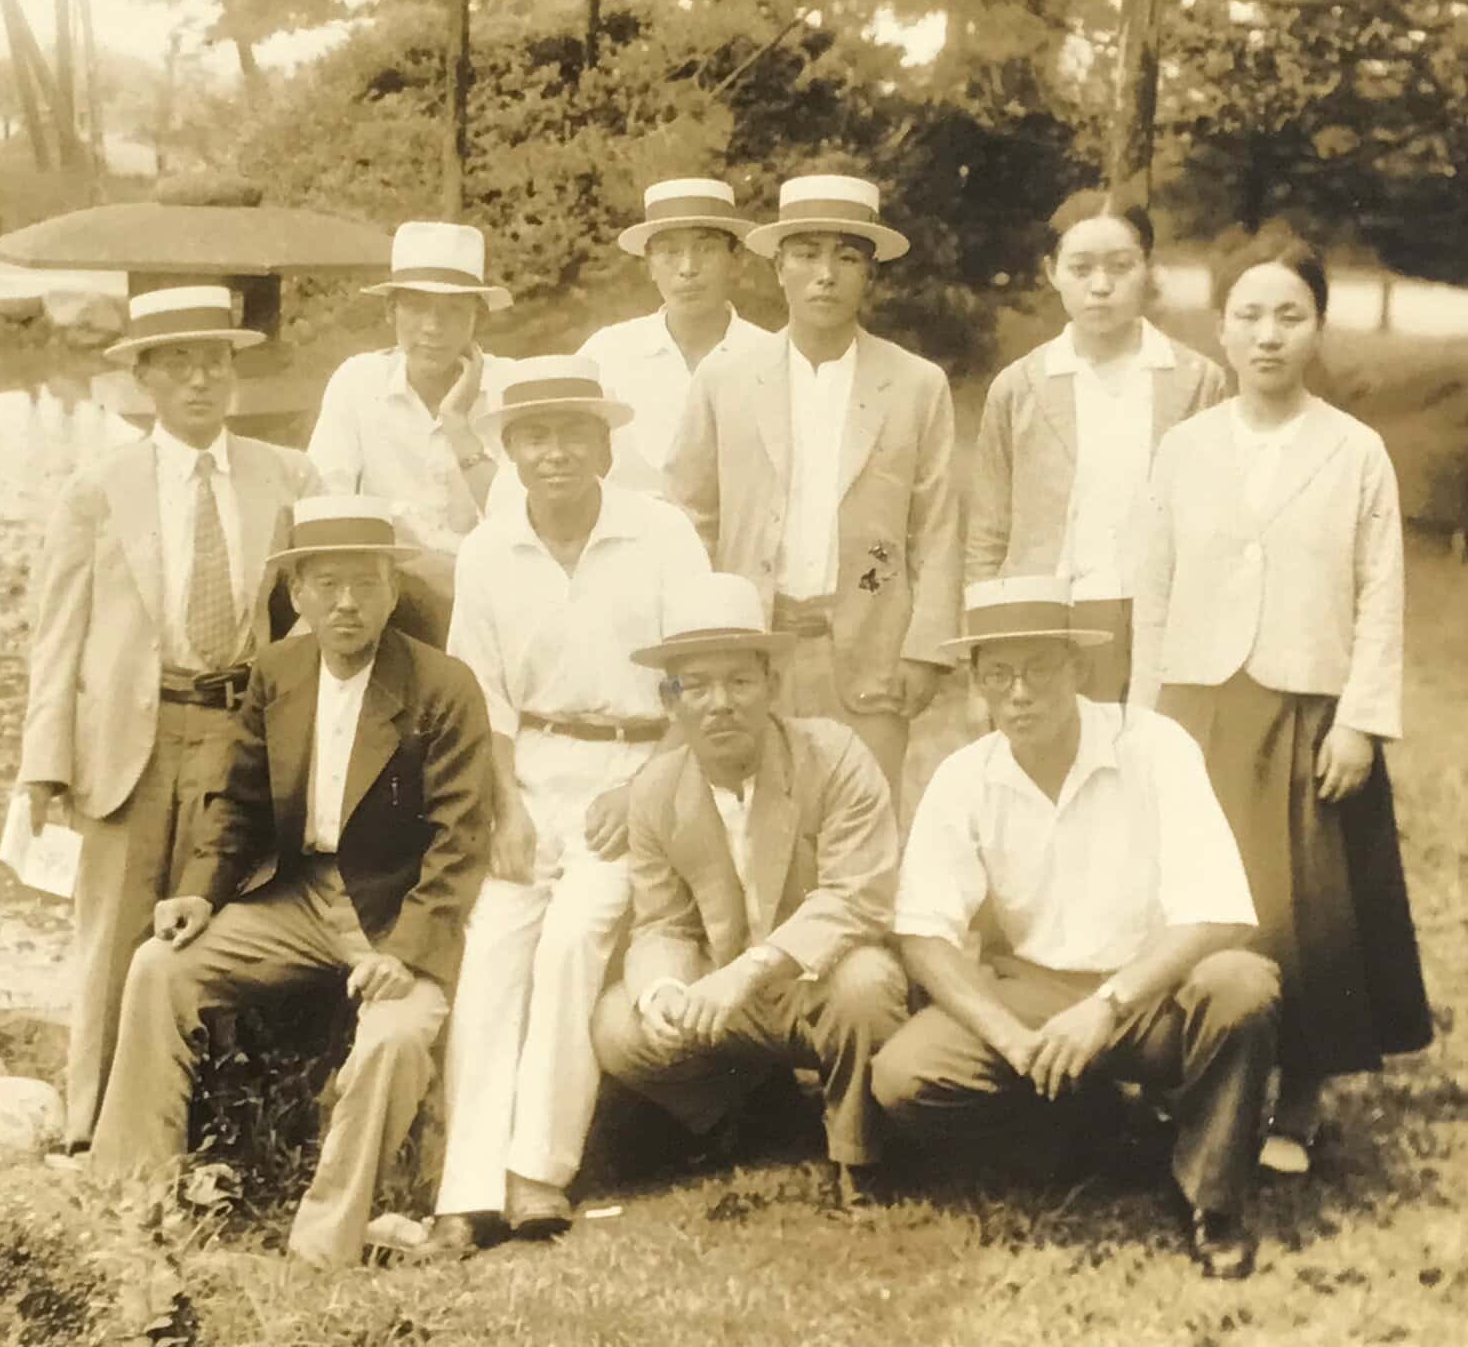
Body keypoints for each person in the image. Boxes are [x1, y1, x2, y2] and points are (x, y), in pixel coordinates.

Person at [88, 497, 493, 1269]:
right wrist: (200, 893)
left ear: (392, 592)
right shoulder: (275, 674)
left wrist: (406, 953)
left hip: (392, 908)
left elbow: (459, 840)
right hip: (296, 897)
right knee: (157, 968)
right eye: (328, 584)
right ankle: (132, 1201)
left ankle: (324, 1243)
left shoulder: (442, 685)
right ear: (298, 594)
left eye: (366, 584)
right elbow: (235, 805)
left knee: (398, 1039)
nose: (347, 604)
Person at [871, 577, 1281, 1280]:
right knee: (905, 1077)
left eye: (1037, 668)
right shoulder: (964, 776)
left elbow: (1216, 909)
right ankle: (1096, 1131)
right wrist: (1005, 1034)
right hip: (1033, 992)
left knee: (1242, 986)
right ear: (976, 683)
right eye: (998, 674)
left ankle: (1212, 1204)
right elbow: (923, 934)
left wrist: (1108, 1005)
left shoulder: (1154, 746)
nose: (1019, 692)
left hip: (1155, 990)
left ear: (1077, 670)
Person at [1131, 228, 1430, 1176]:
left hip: (1308, 712)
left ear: (1317, 329)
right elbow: (1152, 591)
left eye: (1289, 316)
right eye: (1250, 316)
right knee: (1198, 902)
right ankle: (1182, 1081)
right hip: (1199, 706)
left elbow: (1382, 593)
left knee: (1305, 914)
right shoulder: (1184, 450)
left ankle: (1297, 1105)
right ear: (1220, 329)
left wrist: (1360, 720)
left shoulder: (1355, 453)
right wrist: (1142, 719)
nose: (1269, 336)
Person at [16, 284, 320, 1154]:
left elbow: (308, 616)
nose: (199, 381)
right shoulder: (98, 489)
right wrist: (45, 762)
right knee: (114, 935)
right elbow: (58, 633)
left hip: (237, 732)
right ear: (143, 377)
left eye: (214, 361)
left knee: (219, 926)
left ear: (234, 371)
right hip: (131, 740)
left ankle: (211, 1126)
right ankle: (90, 1132)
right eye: (178, 364)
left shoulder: (285, 476)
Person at [428, 355, 713, 1252]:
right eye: (536, 436)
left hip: (642, 768)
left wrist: (642, 789)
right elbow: (485, 701)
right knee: (494, 942)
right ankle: (463, 1191)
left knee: (575, 936)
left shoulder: (660, 535)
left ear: (605, 442)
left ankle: (536, 1174)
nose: (556, 452)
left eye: (574, 433)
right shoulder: (487, 549)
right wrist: (503, 808)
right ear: (510, 450)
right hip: (528, 773)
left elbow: (695, 679)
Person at [591, 572, 906, 1210]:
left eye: (739, 681)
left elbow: (857, 895)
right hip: (736, 992)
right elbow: (663, 923)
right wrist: (663, 989)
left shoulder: (834, 755)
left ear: (773, 687)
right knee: (619, 1028)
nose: (720, 703)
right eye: (696, 686)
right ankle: (764, 1115)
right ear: (669, 700)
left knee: (866, 987)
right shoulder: (656, 789)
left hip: (822, 976)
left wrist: (748, 972)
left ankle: (861, 1162)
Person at [664, 173, 962, 814]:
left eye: (847, 257)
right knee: (753, 822)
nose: (825, 274)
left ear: (870, 274)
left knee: (864, 825)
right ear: (778, 269)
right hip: (752, 646)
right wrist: (703, 636)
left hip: (867, 650)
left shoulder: (916, 384)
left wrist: (925, 652)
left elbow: (936, 528)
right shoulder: (725, 378)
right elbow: (690, 517)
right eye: (805, 255)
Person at [967, 189, 1227, 700]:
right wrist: (985, 650)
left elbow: (1216, 527)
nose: (1101, 287)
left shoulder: (1198, 381)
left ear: (1147, 269)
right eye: (1081, 268)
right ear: (1051, 271)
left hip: (1159, 615)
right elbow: (987, 537)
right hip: (1049, 614)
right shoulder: (1019, 388)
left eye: (1121, 267)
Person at [307, 220, 516, 618]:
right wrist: (423, 565)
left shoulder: (509, 388)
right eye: (417, 307)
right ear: (390, 310)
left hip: (493, 598)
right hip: (388, 595)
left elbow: (523, 519)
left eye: (453, 310)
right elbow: (329, 505)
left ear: (477, 317)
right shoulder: (358, 381)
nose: (432, 328)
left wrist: (456, 421)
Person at [578, 178, 772, 495]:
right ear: (649, 265)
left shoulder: (772, 356)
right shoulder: (607, 353)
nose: (687, 268)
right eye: (669, 251)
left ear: (737, 261)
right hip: (633, 538)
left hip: (739, 540)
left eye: (706, 249)